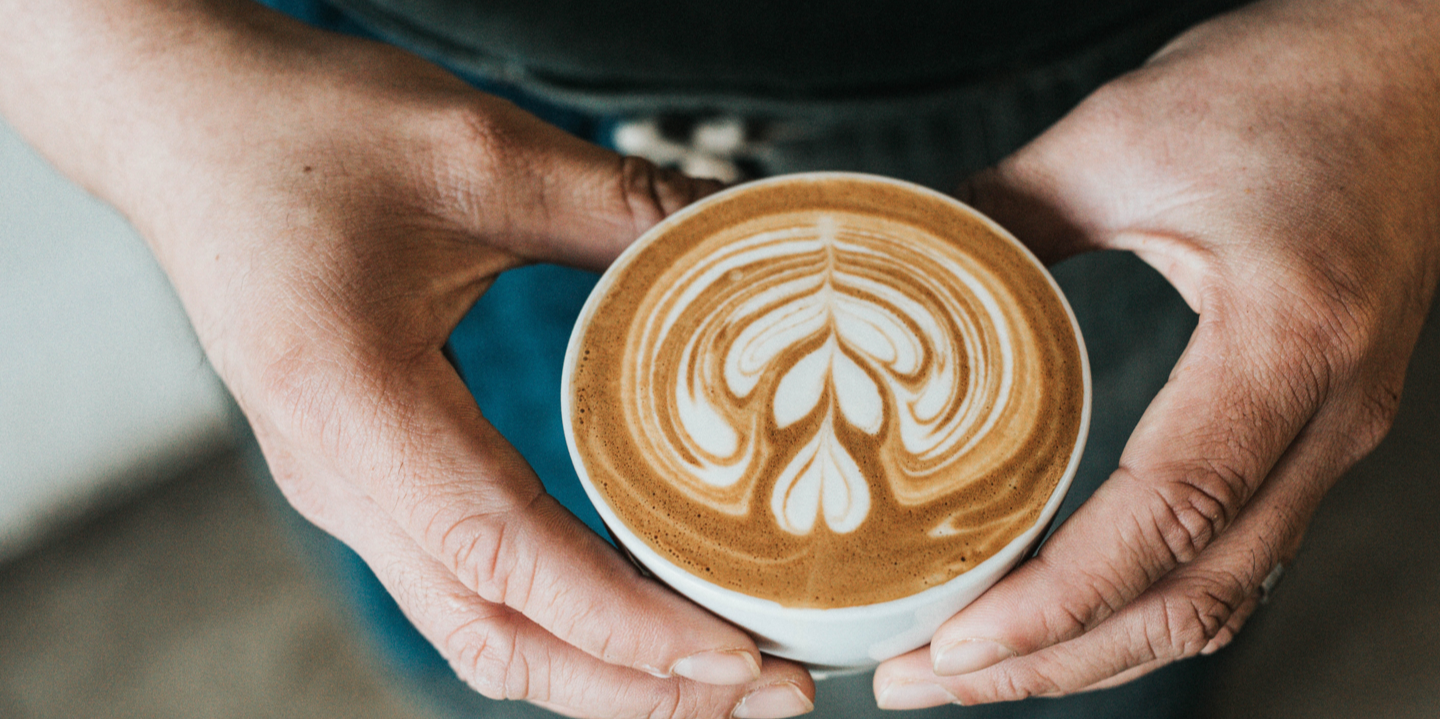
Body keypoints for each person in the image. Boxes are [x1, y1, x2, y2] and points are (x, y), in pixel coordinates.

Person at [2, 1, 1436, 717]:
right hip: (362, 138)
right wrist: (121, 76)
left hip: (1148, 114)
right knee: (514, 655)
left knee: (1092, 649)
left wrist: (1397, 39)